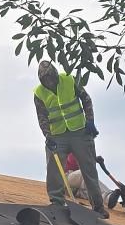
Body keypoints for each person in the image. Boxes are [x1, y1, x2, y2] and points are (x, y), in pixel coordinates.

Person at [33, 59, 107, 216]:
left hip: (80, 132)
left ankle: (98, 206)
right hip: (57, 136)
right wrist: (47, 135)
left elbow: (86, 100)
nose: (49, 83)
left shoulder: (69, 80)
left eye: (51, 79)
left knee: (88, 168)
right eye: (46, 81)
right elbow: (42, 116)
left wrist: (90, 121)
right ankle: (57, 202)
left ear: (55, 75)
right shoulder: (39, 93)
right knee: (54, 167)